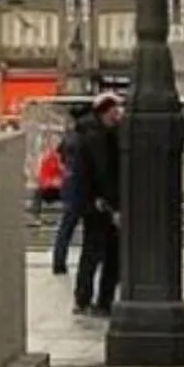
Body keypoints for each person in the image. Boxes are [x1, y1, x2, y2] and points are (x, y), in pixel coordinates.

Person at [73, 92, 123, 320]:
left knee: (96, 254)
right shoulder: (97, 137)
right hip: (100, 207)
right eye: (116, 109)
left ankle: (91, 299)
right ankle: (96, 300)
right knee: (101, 254)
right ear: (106, 111)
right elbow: (104, 173)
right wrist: (112, 205)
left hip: (95, 204)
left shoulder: (100, 134)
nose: (119, 113)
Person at [49, 103, 90, 278]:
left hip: (70, 186)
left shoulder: (68, 138)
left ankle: (59, 262)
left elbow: (61, 157)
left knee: (66, 227)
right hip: (83, 188)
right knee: (90, 229)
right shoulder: (85, 138)